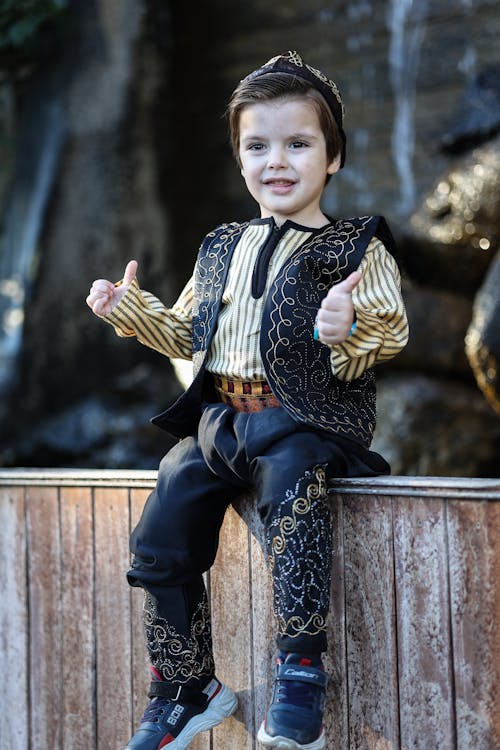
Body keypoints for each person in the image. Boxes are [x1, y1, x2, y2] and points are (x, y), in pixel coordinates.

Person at [87, 50, 409, 750]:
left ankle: (299, 677)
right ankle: (184, 683)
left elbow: (390, 330)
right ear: (239, 160)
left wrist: (345, 327)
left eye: (299, 144)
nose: (277, 161)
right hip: (221, 420)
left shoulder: (353, 248)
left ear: (333, 158)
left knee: (294, 500)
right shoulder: (221, 246)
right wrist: (126, 308)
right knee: (161, 524)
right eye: (258, 146)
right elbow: (185, 333)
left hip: (304, 420)